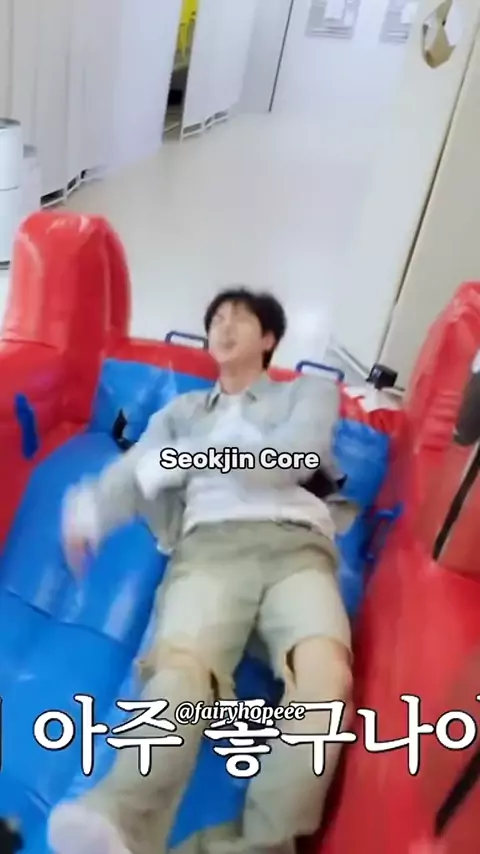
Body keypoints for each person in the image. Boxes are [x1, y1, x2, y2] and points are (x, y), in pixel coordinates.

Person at [48, 287, 353, 854]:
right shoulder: (181, 414)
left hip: (297, 548)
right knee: (183, 671)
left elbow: (295, 458)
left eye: (240, 318)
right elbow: (136, 470)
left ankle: (259, 846)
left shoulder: (307, 393)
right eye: (216, 319)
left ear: (269, 338)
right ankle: (118, 822)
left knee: (324, 679)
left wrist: (188, 458)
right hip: (211, 549)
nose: (224, 327)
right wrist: (91, 511)